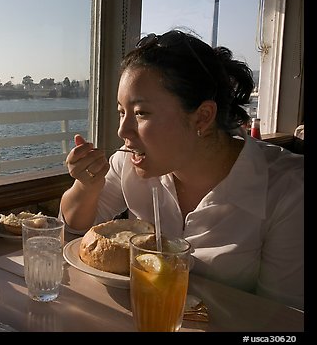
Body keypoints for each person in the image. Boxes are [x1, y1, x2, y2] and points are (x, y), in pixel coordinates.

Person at [60, 29, 304, 310]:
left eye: (141, 113)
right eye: (121, 112)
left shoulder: (288, 189)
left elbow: (286, 318)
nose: (122, 130)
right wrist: (86, 186)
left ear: (202, 117)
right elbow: (72, 235)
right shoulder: (129, 163)